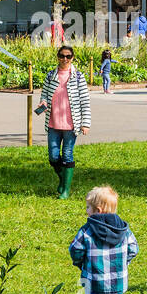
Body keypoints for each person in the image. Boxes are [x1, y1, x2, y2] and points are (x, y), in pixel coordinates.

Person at [69, 185, 138, 294]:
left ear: (98, 210)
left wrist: (81, 264)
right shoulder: (124, 230)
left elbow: (75, 250)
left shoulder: (87, 230)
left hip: (91, 281)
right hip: (117, 281)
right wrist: (123, 264)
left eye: (88, 207)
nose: (86, 211)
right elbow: (134, 248)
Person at [36, 45, 91, 199]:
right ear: (57, 56)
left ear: (72, 58)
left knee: (67, 155)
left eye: (68, 56)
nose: (64, 59)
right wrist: (43, 104)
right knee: (53, 156)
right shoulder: (50, 76)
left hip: (71, 125)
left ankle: (65, 190)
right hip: (53, 123)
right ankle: (63, 180)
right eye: (61, 56)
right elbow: (45, 95)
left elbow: (85, 101)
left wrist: (85, 123)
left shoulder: (78, 77)